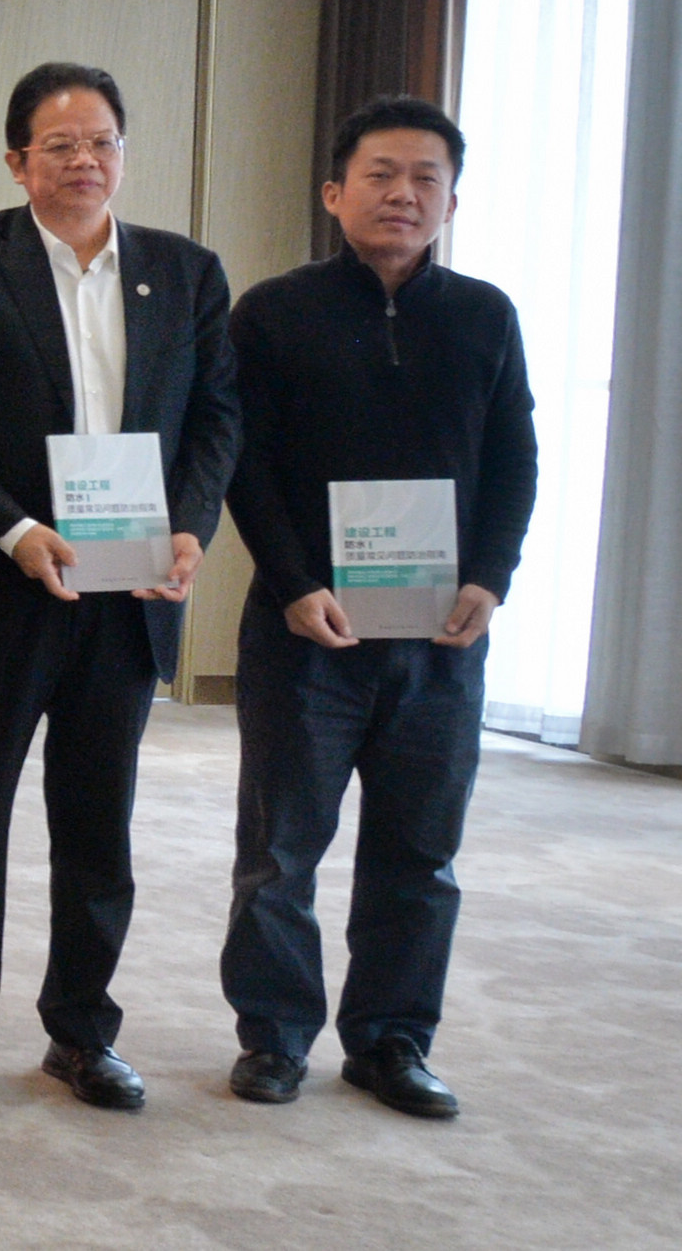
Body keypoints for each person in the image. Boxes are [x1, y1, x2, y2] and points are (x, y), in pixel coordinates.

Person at [0, 60, 239, 1110]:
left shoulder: (186, 271)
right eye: (60, 145)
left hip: (127, 592)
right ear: (17, 161)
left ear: (123, 153)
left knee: (98, 822)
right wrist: (11, 528)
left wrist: (189, 527)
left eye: (102, 142)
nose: (84, 161)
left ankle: (83, 1031)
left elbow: (216, 417)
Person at [217, 96, 535, 1120]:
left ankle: (393, 1041)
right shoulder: (274, 311)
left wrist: (491, 577)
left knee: (420, 854)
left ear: (451, 201)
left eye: (426, 178)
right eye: (381, 175)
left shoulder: (485, 315)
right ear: (334, 192)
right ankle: (274, 1036)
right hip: (306, 632)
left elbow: (515, 459)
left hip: (441, 637)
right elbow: (246, 463)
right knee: (279, 851)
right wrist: (294, 582)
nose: (404, 194)